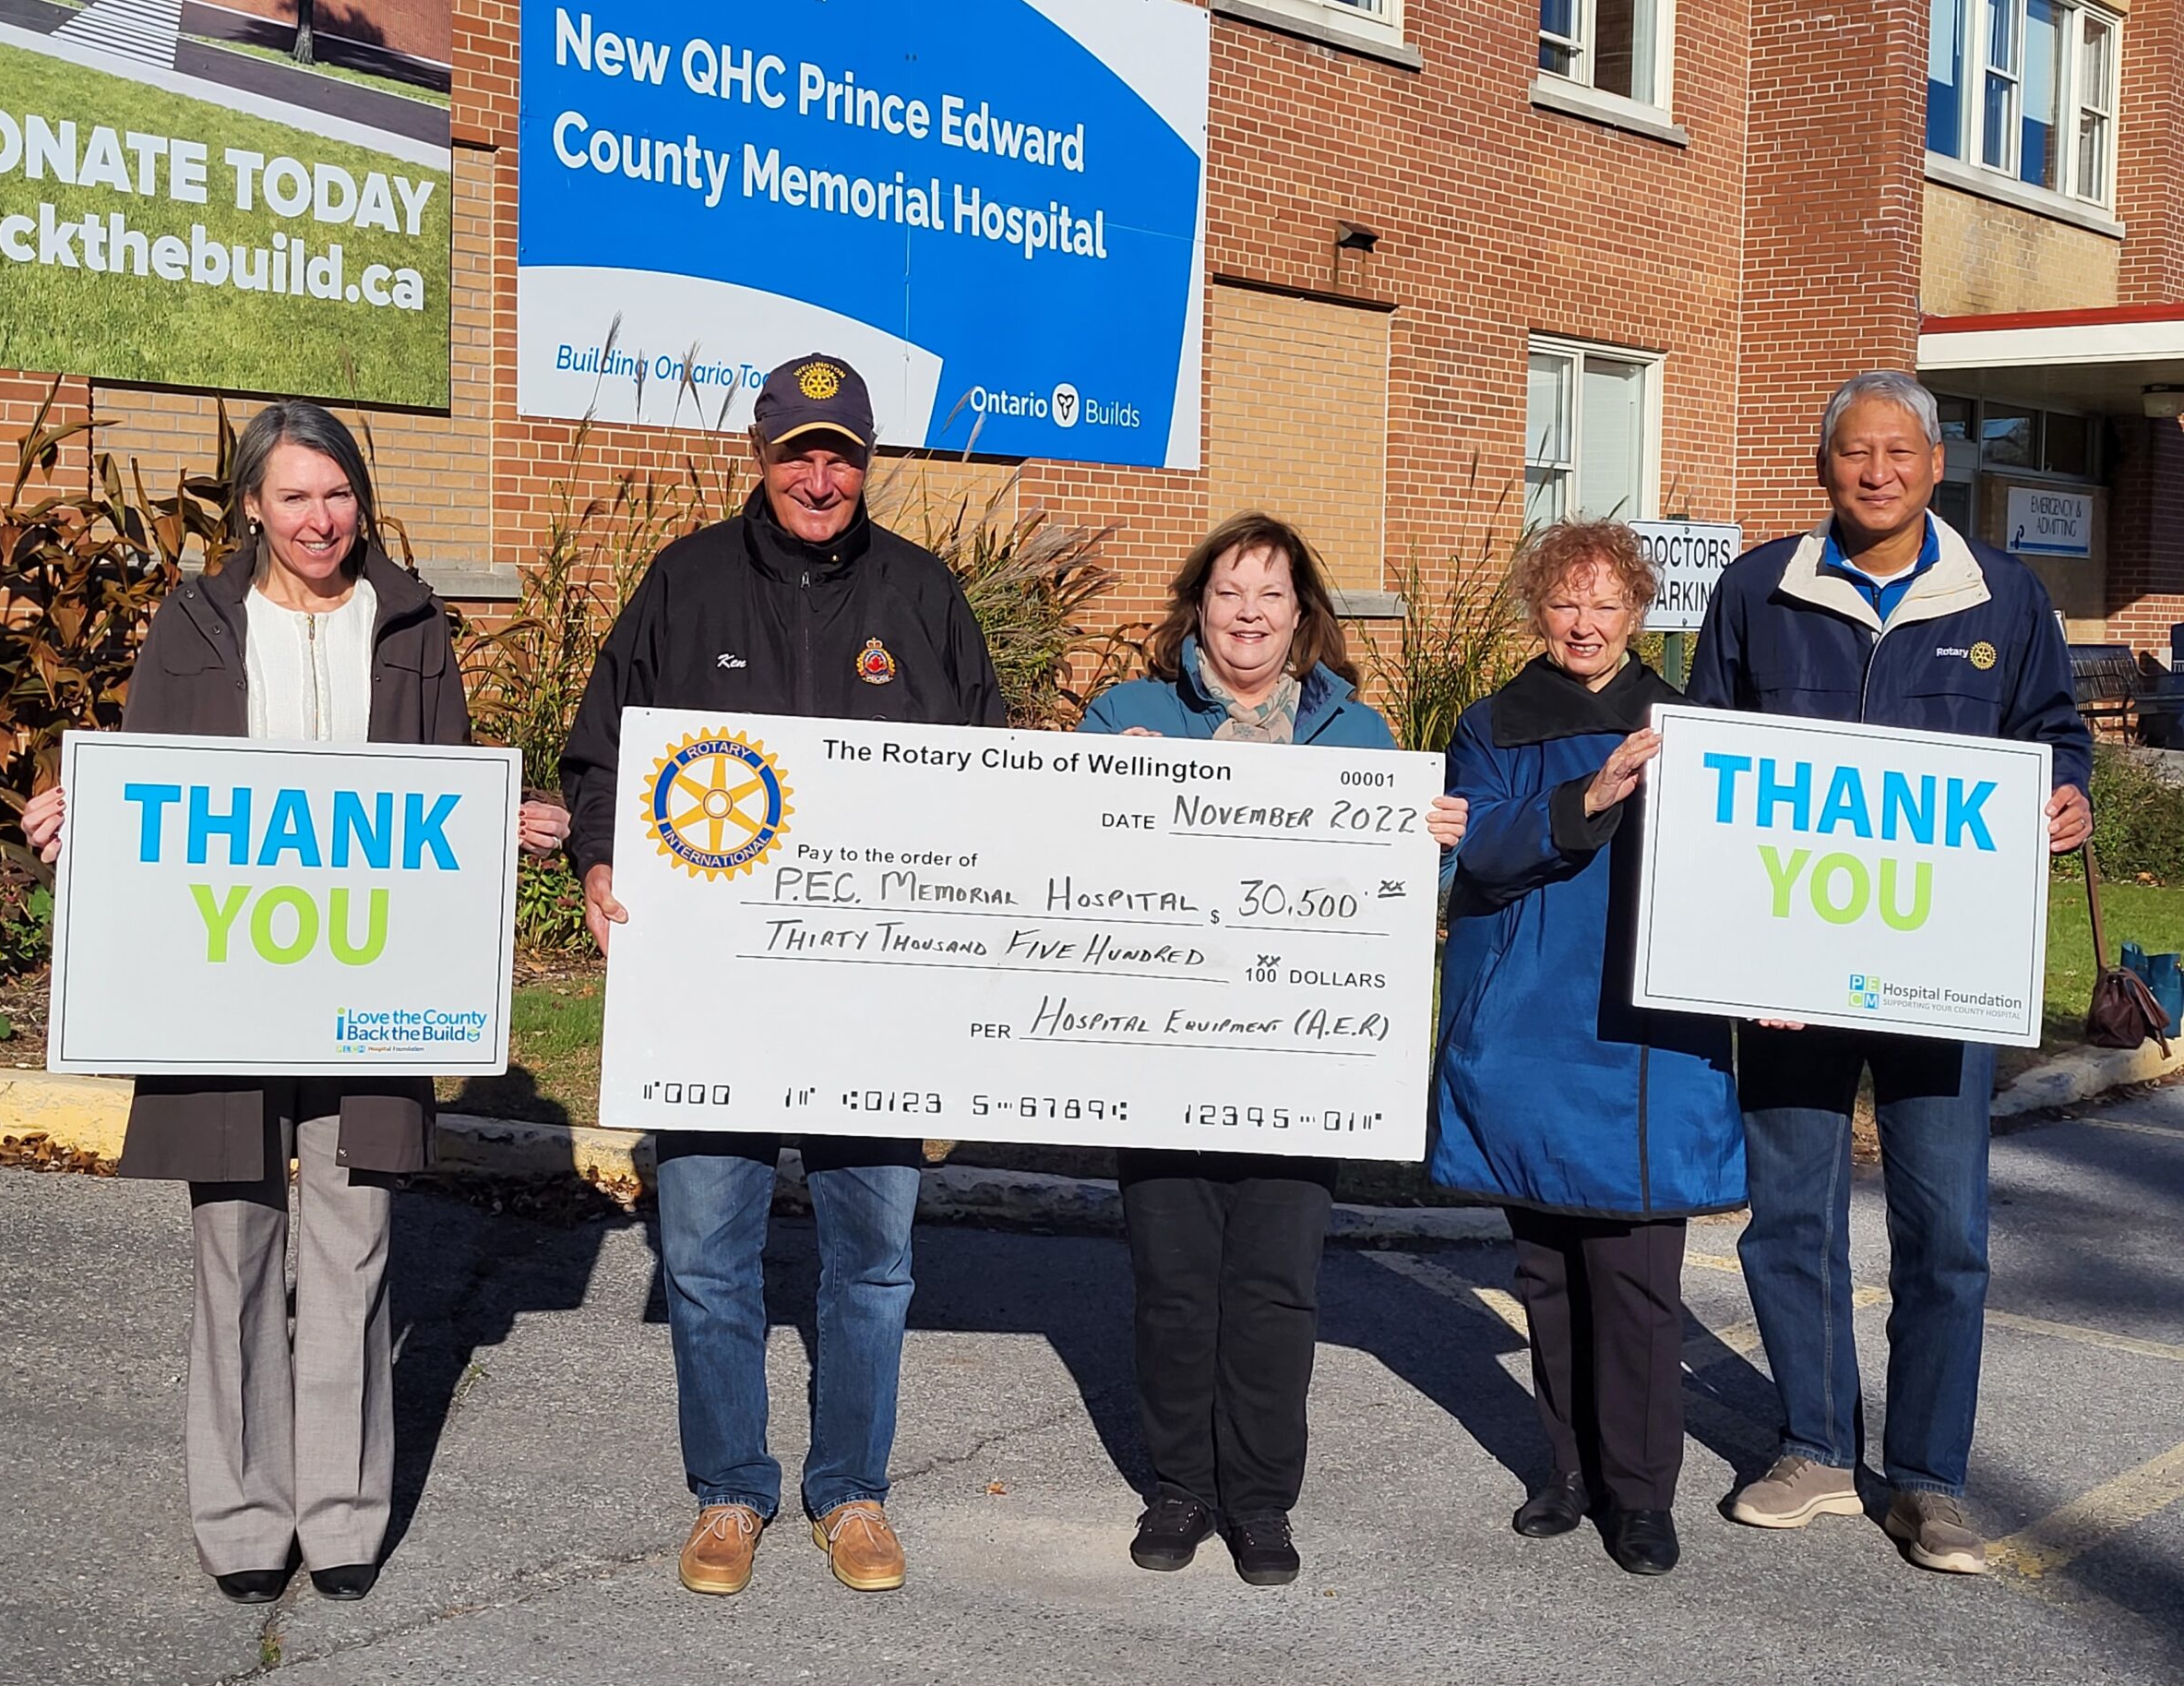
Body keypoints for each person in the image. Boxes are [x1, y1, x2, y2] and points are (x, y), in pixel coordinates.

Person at [19, 402, 568, 1605]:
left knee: (356, 1238)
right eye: (293, 496)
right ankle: (242, 1517)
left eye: (337, 494)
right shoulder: (197, 625)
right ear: (253, 508)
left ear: (359, 498)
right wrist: (78, 821)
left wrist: (505, 827)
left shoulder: (413, 625)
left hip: (369, 987)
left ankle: (341, 1512)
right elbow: (146, 787)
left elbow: (444, 798)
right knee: (235, 1240)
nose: (319, 519)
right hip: (225, 984)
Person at [560, 353, 1004, 1596]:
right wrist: (601, 861)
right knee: (707, 1252)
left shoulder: (923, 595)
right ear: (760, 451)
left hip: (876, 1007)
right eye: (800, 450)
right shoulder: (684, 584)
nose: (822, 474)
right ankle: (730, 1488)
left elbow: (988, 786)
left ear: (870, 461)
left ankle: (851, 1486)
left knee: (872, 1259)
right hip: (714, 999)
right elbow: (600, 753)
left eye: (844, 452)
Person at [1688, 370, 2092, 1574]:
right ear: (1827, 467)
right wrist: (1724, 929)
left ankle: (1928, 1479)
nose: (1877, 471)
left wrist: (2063, 787)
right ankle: (1813, 1444)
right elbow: (1713, 743)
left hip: (1939, 969)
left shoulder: (2003, 595)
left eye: (1899, 451)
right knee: (1791, 1216)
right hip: (1789, 966)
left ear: (1934, 464)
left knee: (1945, 1229)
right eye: (1856, 452)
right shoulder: (1761, 586)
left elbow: (2052, 727)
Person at [1075, 512, 1399, 1587]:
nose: (1249, 614)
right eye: (1228, 593)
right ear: (1196, 608)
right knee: (1173, 1284)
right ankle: (1179, 1488)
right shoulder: (1126, 717)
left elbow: (1399, 908)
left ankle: (1259, 1502)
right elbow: (1059, 867)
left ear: (1302, 612)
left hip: (1299, 1064)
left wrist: (1426, 848)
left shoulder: (1361, 739)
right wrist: (1091, 791)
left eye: (1270, 594)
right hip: (1158, 1056)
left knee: (1272, 1290)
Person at [1424, 518, 1742, 1576]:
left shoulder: (1695, 727)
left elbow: (1747, 877)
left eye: (1606, 605)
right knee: (1547, 1278)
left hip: (1649, 1048)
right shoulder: (1491, 725)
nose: (1584, 624)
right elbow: (1480, 854)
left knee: (1639, 1285)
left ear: (1638, 612)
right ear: (1537, 611)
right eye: (1565, 603)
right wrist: (1590, 798)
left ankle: (1641, 1497)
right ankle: (1565, 1473)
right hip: (1523, 1035)